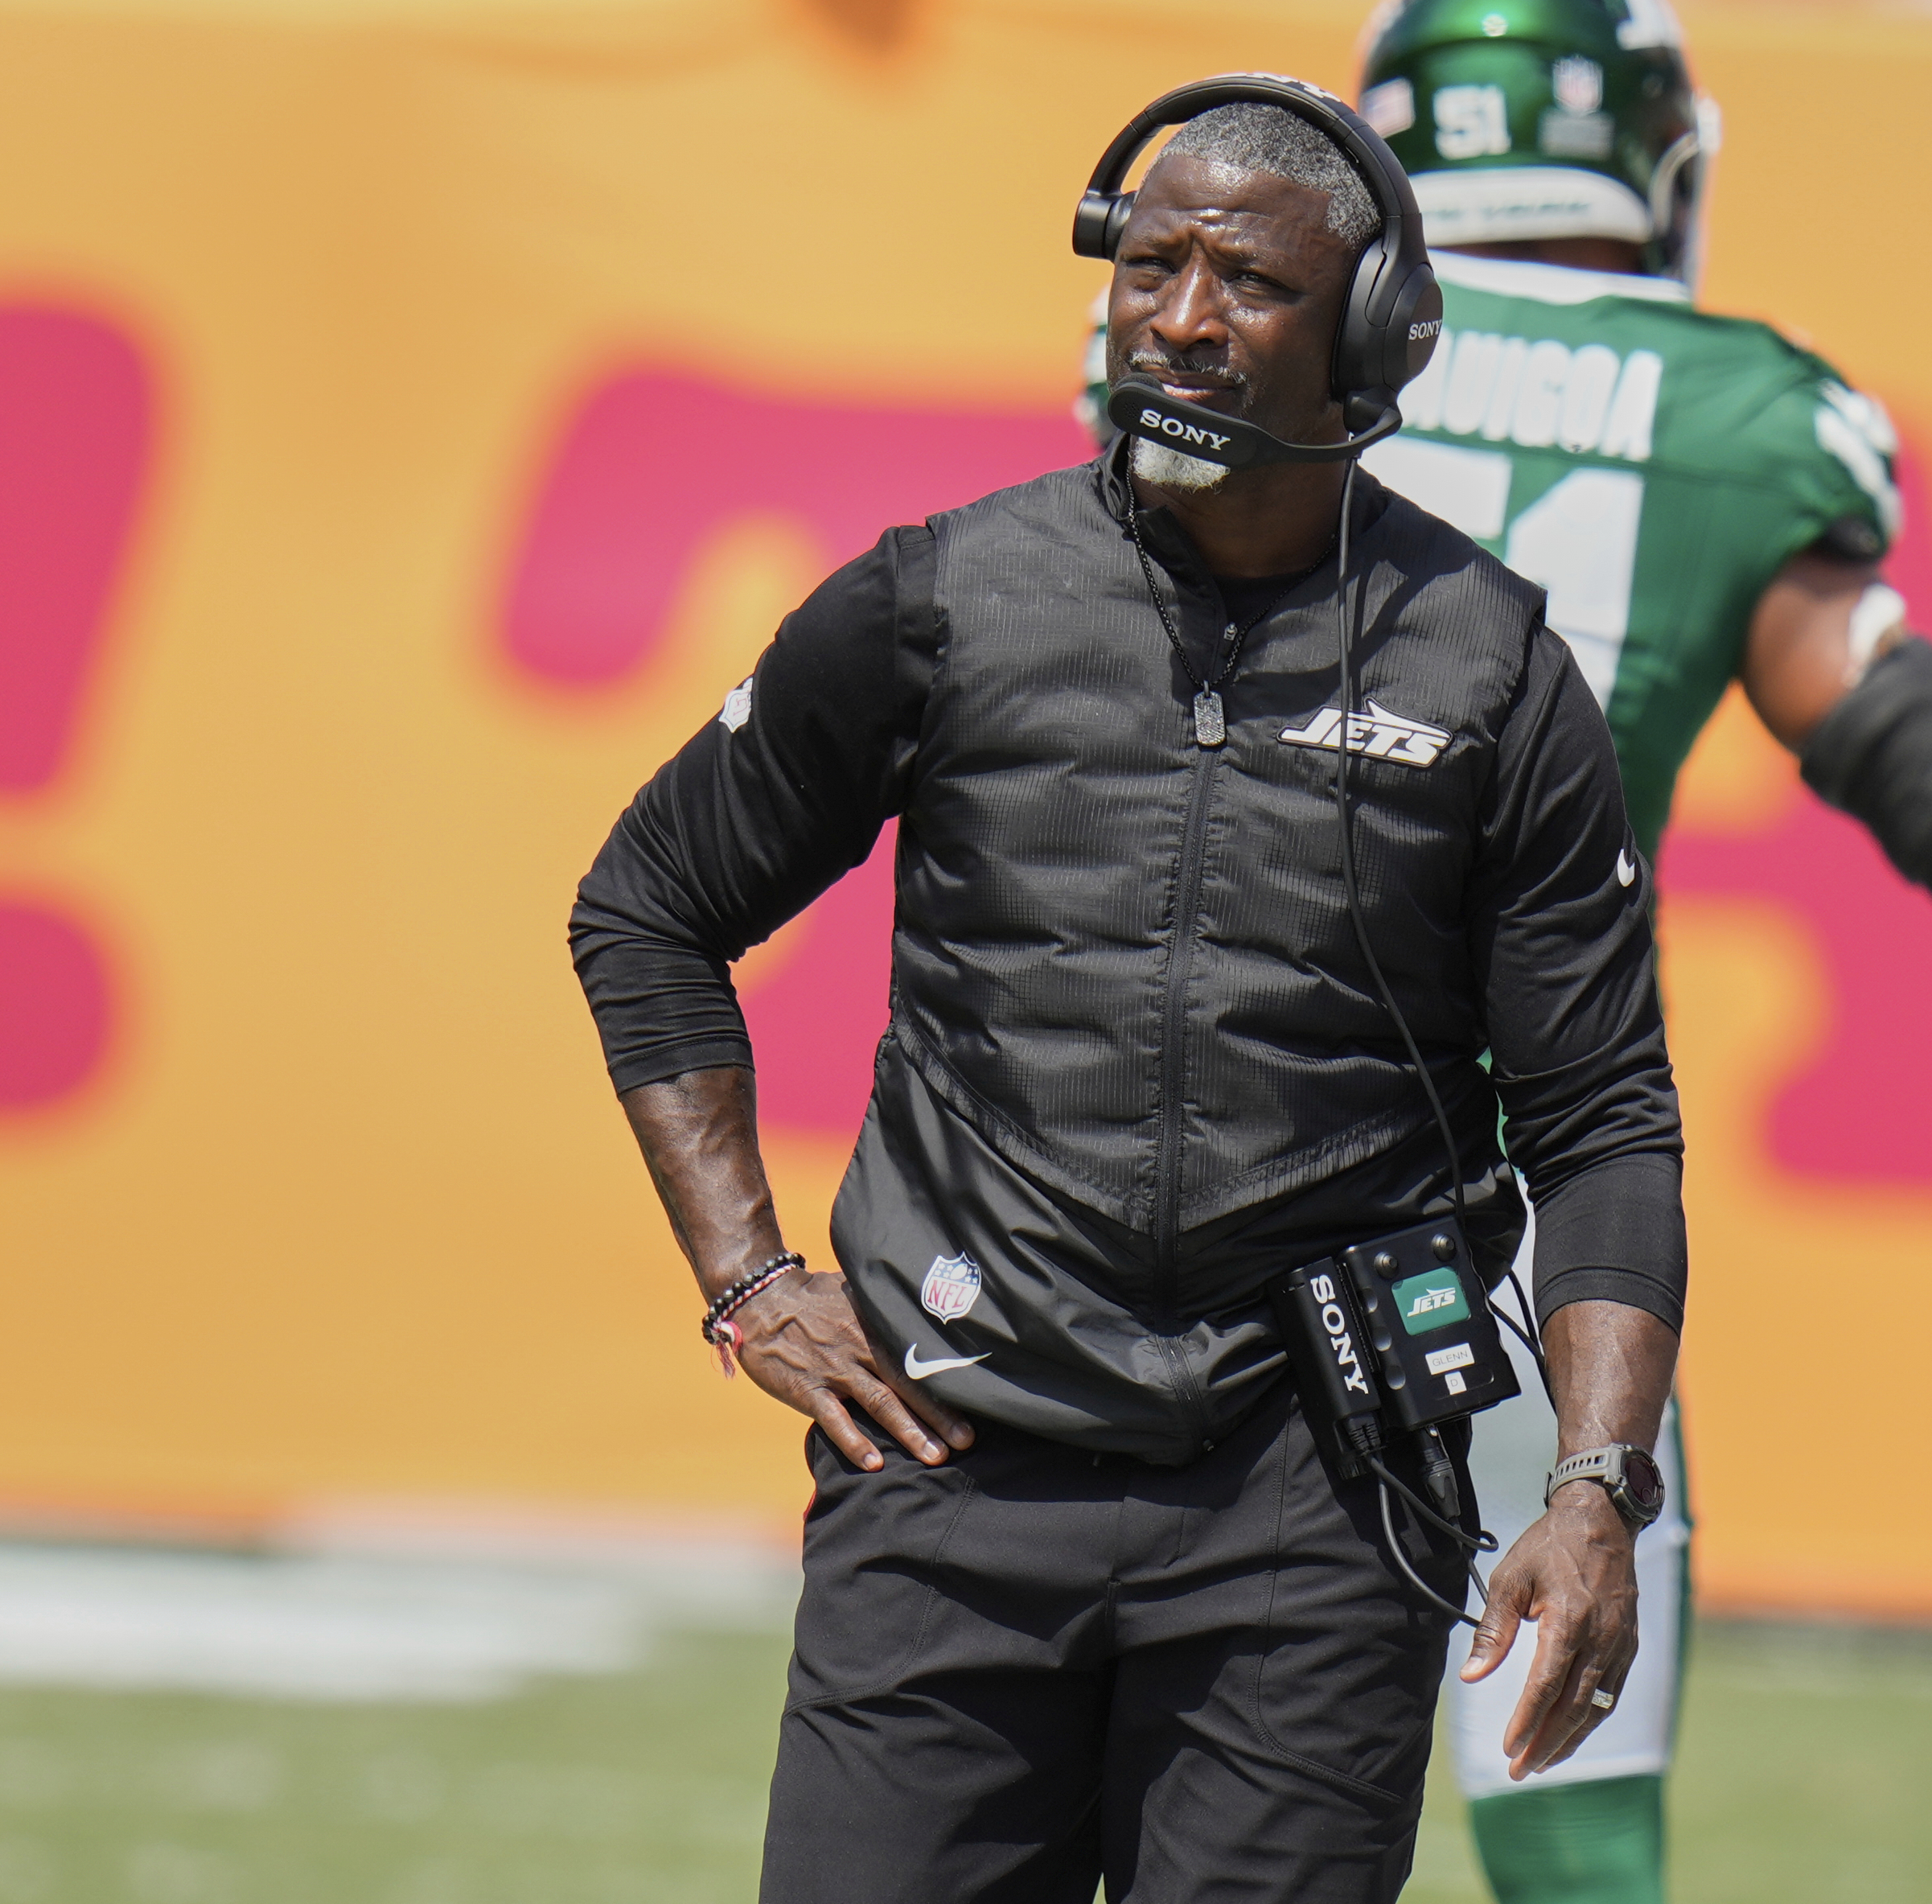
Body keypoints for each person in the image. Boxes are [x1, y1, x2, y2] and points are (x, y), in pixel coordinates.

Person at [1072, 7, 1932, 1899]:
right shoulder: (1732, 415)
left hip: (1146, 1174)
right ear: (1656, 152)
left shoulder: (1223, 331)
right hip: (1500, 1207)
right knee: (1575, 1842)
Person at [569, 80, 1688, 1904]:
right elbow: (648, 906)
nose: (1179, 315)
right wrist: (752, 1280)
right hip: (948, 1461)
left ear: (1378, 327)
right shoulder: (935, 601)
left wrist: (1594, 1485)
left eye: (1244, 278)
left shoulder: (1492, 667)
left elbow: (1603, 1117)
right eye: (1146, 263)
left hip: (1317, 1508)